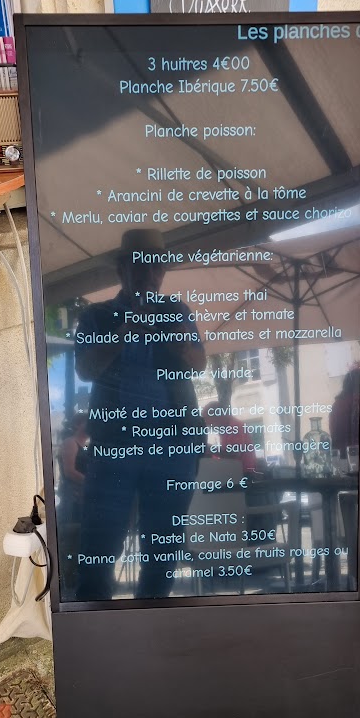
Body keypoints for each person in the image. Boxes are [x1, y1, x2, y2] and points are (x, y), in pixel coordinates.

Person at [74, 229, 206, 601]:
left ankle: (154, 623)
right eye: (140, 266)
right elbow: (84, 370)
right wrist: (122, 332)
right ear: (122, 269)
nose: (150, 275)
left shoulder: (177, 311)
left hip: (173, 446)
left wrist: (180, 346)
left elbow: (199, 363)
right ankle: (94, 627)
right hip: (114, 447)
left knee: (163, 551)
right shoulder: (96, 315)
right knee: (99, 547)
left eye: (157, 267)